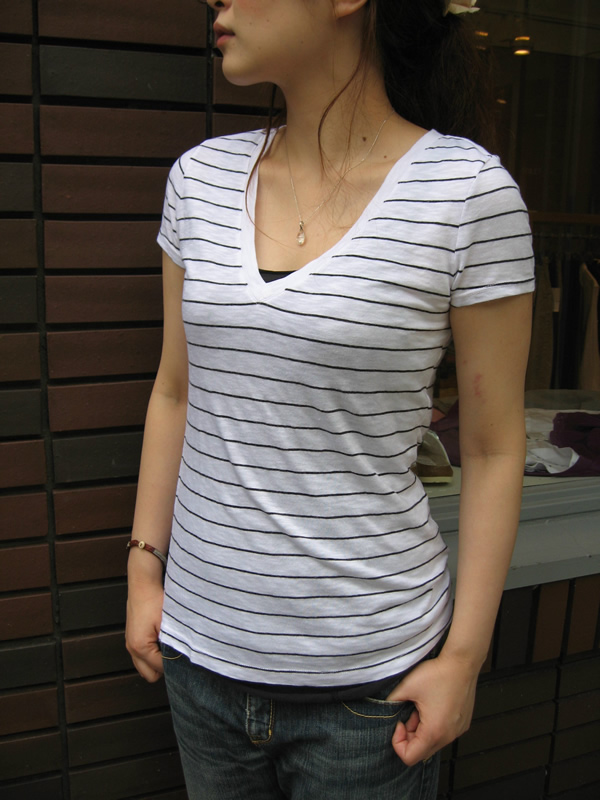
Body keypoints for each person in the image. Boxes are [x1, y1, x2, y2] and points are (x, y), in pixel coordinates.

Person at [126, 1, 535, 798]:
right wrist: (145, 568)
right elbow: (174, 391)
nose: (218, 2)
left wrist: (464, 658)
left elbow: (493, 447)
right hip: (200, 664)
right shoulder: (200, 179)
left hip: (371, 691)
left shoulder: (466, 194)